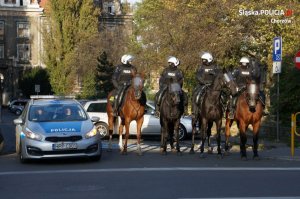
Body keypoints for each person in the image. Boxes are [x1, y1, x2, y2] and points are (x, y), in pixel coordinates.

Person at [191, 52, 220, 118]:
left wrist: (214, 75)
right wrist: (203, 82)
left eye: (205, 60)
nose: (203, 61)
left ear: (209, 59)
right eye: (203, 60)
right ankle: (194, 111)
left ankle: (223, 109)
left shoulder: (216, 67)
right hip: (202, 84)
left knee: (222, 95)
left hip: (213, 85)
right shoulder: (200, 67)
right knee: (195, 94)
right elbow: (198, 76)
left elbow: (219, 75)